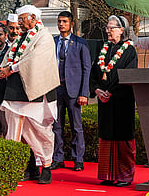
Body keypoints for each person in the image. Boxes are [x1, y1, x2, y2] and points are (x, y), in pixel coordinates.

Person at [0, 5, 60, 184]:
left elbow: (35, 60)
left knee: (39, 132)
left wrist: (11, 69)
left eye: (22, 19)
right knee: (14, 133)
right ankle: (24, 169)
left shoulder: (44, 37)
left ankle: (46, 166)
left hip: (35, 93)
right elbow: (9, 57)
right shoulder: (20, 39)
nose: (20, 23)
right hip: (14, 92)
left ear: (33, 18)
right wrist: (1, 70)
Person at [89, 15, 138, 187]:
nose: (108, 31)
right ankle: (108, 175)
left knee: (123, 137)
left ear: (122, 30)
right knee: (106, 136)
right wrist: (96, 89)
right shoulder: (102, 49)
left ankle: (125, 176)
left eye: (112, 28)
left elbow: (128, 75)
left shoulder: (129, 50)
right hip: (105, 101)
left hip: (121, 100)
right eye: (107, 28)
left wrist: (110, 91)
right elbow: (94, 73)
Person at [50, 11, 91, 172]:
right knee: (56, 126)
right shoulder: (52, 42)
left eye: (65, 21)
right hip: (56, 89)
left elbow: (86, 69)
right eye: (59, 21)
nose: (61, 24)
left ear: (71, 24)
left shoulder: (80, 43)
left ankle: (78, 159)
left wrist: (84, 93)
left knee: (76, 127)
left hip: (74, 91)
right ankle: (58, 158)